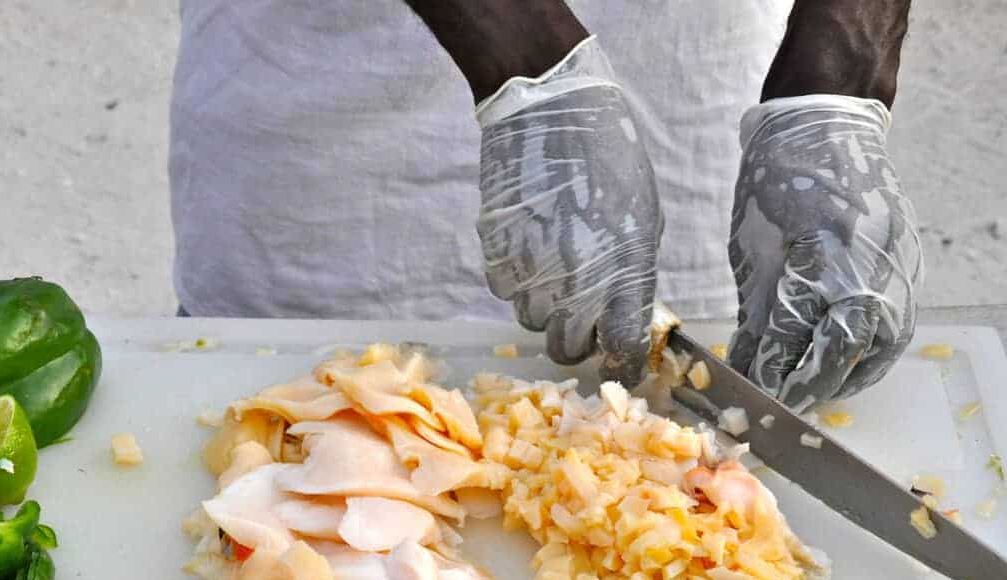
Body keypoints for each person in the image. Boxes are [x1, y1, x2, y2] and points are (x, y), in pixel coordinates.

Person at [169, 0, 922, 412]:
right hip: (341, 133)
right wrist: (530, 62)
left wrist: (838, 81)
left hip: (699, 89)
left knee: (675, 406)